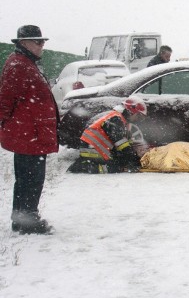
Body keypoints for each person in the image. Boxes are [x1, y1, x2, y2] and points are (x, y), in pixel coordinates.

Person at [0, 25, 58, 234]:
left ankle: (22, 218)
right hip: (28, 135)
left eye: (43, 42)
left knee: (28, 179)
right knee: (31, 179)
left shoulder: (26, 63)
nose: (42, 45)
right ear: (24, 43)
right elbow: (6, 99)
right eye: (38, 41)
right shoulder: (19, 65)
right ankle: (27, 220)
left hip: (32, 133)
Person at [67, 95, 148, 174]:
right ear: (131, 111)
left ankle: (86, 164)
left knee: (120, 161)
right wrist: (132, 159)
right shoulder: (115, 119)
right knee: (114, 167)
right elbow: (121, 144)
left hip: (93, 148)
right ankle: (84, 167)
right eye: (138, 116)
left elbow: (123, 143)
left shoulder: (118, 118)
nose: (138, 120)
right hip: (91, 149)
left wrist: (132, 156)